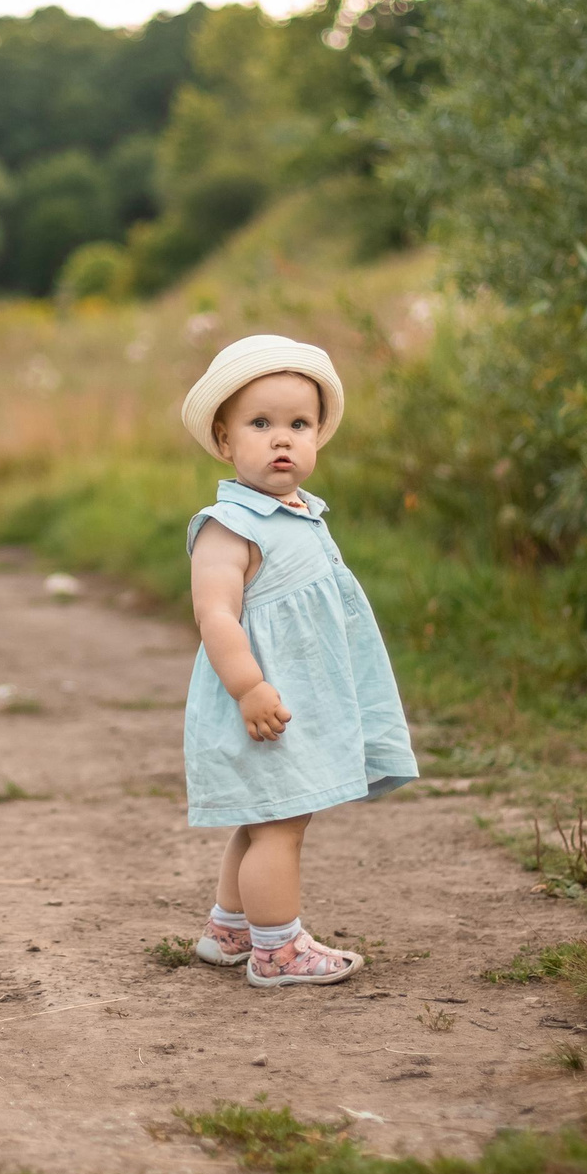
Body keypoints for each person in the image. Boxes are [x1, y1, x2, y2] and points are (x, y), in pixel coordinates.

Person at [179, 334, 418, 987]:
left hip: (293, 699)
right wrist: (249, 687)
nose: (281, 439)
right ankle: (277, 949)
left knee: (265, 816)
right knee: (280, 822)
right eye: (261, 424)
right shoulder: (229, 526)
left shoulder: (302, 513)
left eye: (298, 424)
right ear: (225, 440)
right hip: (262, 701)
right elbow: (217, 616)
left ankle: (231, 927)